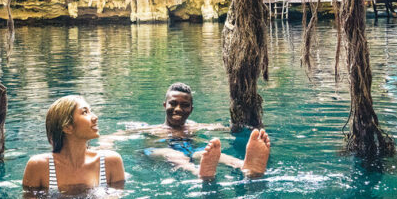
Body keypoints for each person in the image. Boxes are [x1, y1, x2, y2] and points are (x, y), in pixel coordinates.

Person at [99, 83, 270, 180]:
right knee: (174, 155)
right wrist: (106, 144)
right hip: (157, 151)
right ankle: (198, 172)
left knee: (203, 153)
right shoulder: (151, 129)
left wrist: (248, 127)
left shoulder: (194, 127)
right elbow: (114, 136)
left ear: (191, 108)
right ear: (165, 105)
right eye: (173, 103)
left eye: (184, 105)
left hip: (191, 150)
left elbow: (224, 128)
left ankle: (246, 166)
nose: (178, 109)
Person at [22, 95, 125, 195]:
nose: (95, 117)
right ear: (67, 127)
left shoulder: (111, 162)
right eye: (85, 112)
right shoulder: (38, 166)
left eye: (90, 111)